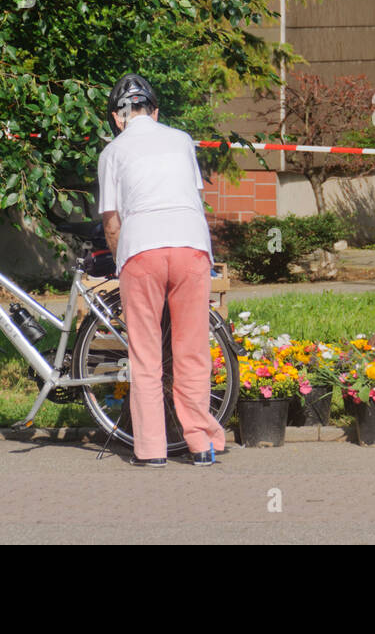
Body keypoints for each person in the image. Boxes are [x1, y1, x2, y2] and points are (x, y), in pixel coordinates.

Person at [97, 73, 227, 467]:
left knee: (145, 355)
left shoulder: (112, 154)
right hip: (190, 247)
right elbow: (193, 197)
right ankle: (201, 444)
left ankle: (151, 450)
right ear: (155, 111)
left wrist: (122, 265)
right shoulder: (181, 141)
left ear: (118, 118)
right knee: (191, 351)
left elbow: (111, 223)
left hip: (142, 251)